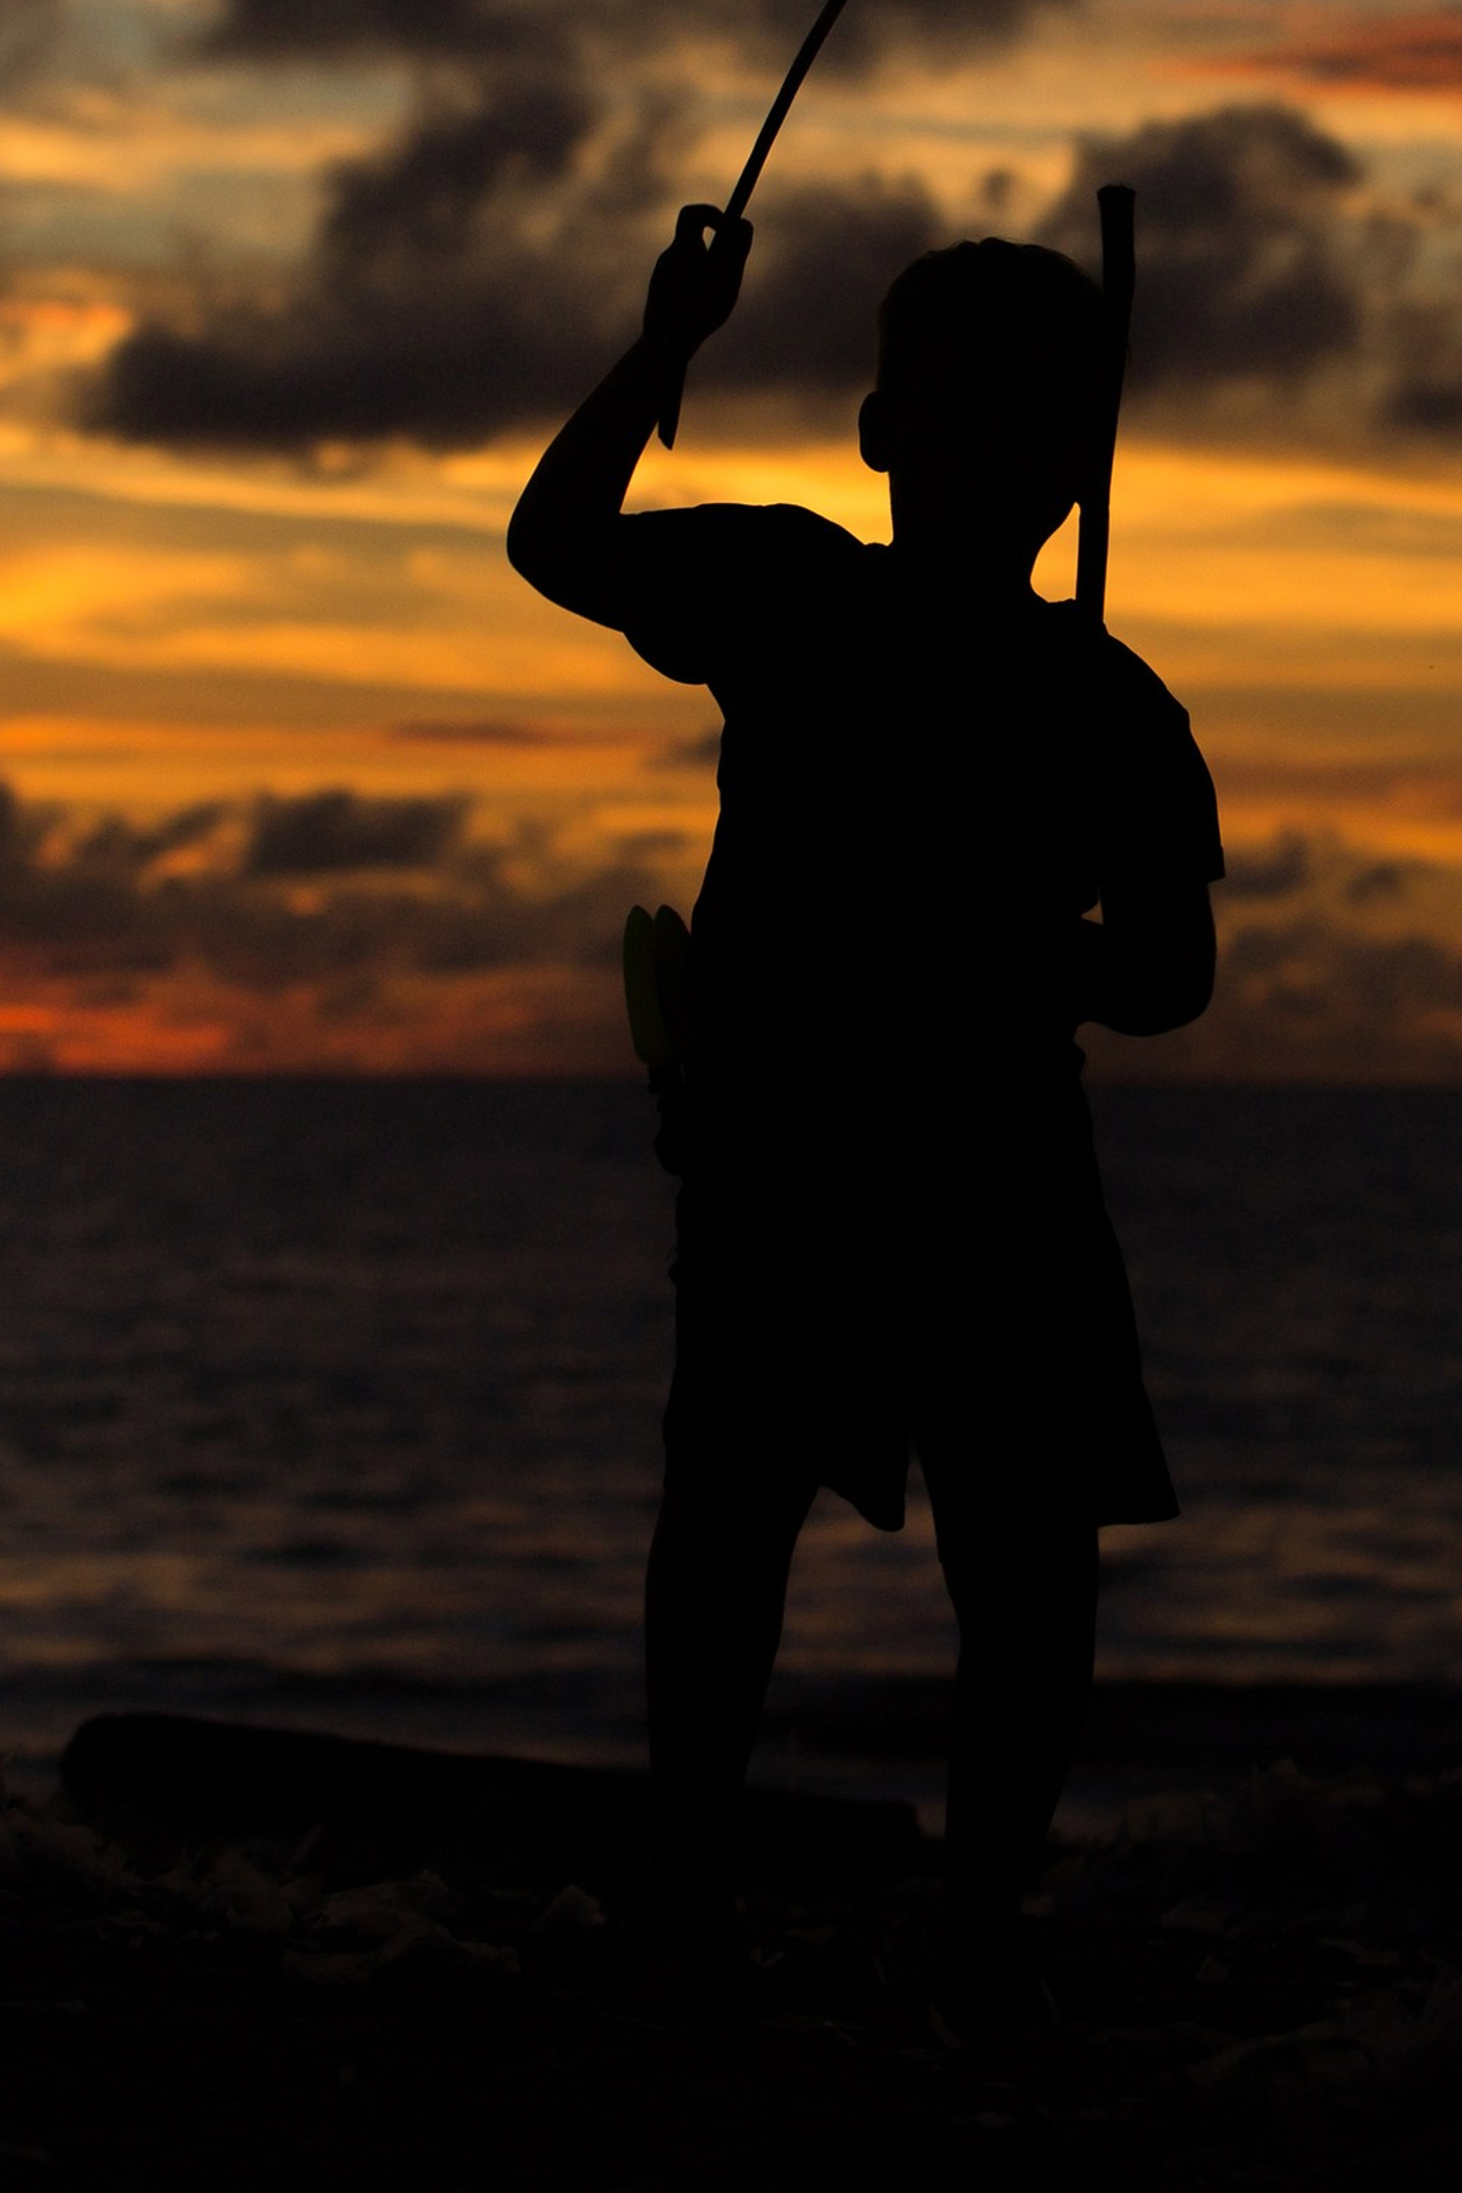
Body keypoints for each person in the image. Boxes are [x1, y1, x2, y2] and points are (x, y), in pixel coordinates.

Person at [507, 203, 1221, 1964]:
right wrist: (667, 342)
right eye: (957, 410)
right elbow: (556, 542)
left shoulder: (1104, 701)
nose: (988, 453)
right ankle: (707, 1871)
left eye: (1025, 421)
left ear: (1077, 459)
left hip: (980, 1158)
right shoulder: (798, 588)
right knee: (748, 1515)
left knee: (1014, 1547)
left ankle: (961, 1899)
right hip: (801, 1146)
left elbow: (1170, 973)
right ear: (885, 432)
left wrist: (1052, 960)